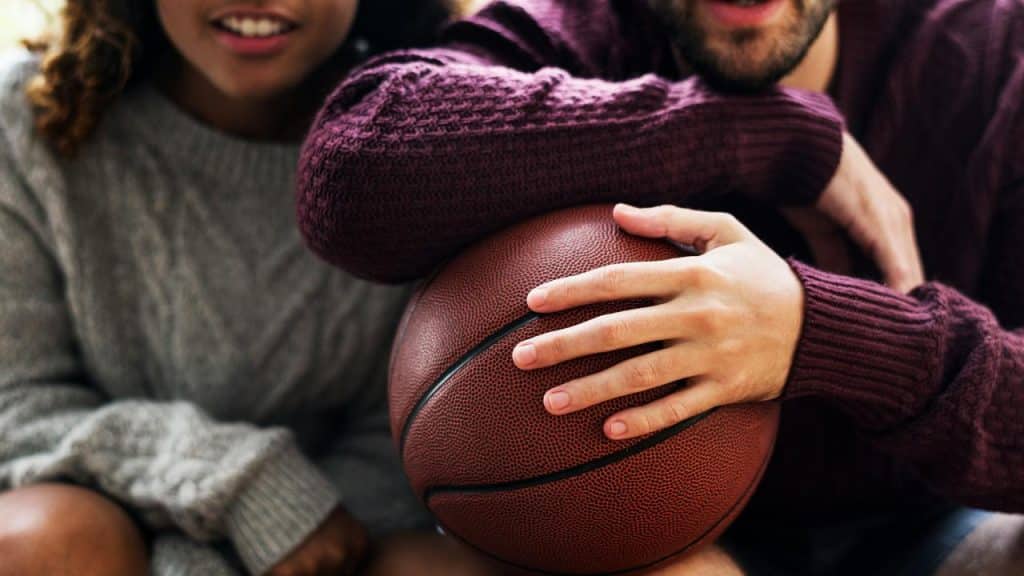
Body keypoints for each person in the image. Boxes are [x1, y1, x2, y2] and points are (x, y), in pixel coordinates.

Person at [295, 0, 1024, 574]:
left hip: (944, 524)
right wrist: (761, 137)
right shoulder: (574, 34)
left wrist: (816, 335)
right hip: (669, 552)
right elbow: (346, 170)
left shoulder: (994, 56)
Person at [0, 1, 493, 575]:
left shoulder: (426, 136)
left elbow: (413, 434)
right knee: (43, 540)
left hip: (337, 534)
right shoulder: (35, 118)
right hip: (113, 514)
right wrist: (238, 487)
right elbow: (18, 408)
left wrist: (296, 525)